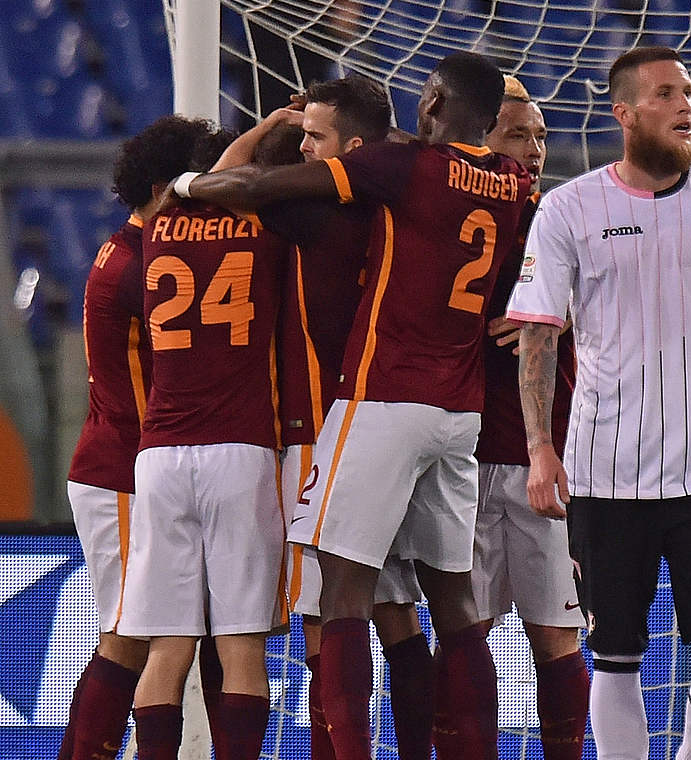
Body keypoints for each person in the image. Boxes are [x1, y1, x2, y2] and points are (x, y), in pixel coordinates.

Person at [169, 51, 532, 760]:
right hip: (460, 415)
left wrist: (182, 184)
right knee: (453, 604)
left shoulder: (399, 174)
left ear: (430, 98)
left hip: (382, 398)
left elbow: (255, 185)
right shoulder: (511, 184)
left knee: (342, 595)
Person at [506, 46, 691, 760]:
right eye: (666, 94)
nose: (686, 105)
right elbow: (538, 337)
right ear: (625, 113)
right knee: (615, 651)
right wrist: (541, 449)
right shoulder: (570, 207)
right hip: (604, 470)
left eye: (689, 92)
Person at [210, 74, 436, 760]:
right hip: (405, 425)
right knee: (401, 617)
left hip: (322, 436)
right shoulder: (409, 206)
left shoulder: (310, 215)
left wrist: (268, 130)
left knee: (324, 626)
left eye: (317, 136)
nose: (306, 147)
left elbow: (226, 181)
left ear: (351, 150)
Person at [118, 129, 294, 760]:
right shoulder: (267, 232)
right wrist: (275, 127)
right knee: (243, 647)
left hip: (160, 455)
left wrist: (258, 130)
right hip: (239, 451)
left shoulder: (159, 230)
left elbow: (216, 178)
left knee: (166, 649)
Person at [58, 115, 218, 760]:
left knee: (155, 633)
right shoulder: (140, 264)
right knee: (134, 633)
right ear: (165, 185)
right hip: (123, 468)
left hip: (123, 462)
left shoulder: (129, 249)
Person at [473, 74, 589, 760]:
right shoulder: (458, 221)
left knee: (556, 636)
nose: (535, 149)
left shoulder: (568, 222)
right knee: (466, 631)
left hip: (551, 460)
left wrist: (568, 311)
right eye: (518, 134)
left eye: (542, 136)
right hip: (466, 454)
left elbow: (632, 309)